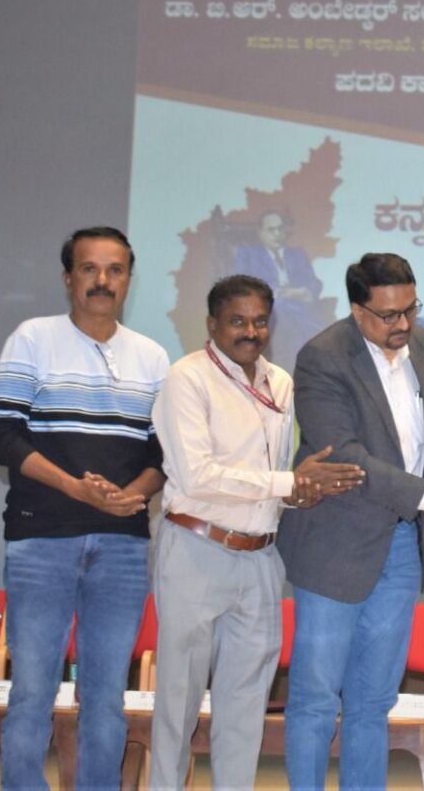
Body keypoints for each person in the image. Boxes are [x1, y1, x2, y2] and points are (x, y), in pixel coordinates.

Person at [275, 252, 424, 790]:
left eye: (410, 309)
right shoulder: (322, 357)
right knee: (316, 699)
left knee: (373, 700)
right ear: (358, 310)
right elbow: (345, 457)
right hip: (334, 547)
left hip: (400, 542)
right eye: (389, 314)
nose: (403, 324)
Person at [148, 275, 365, 788]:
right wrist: (288, 481)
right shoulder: (187, 378)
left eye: (260, 321)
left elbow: (277, 473)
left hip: (262, 557)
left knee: (246, 707)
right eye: (237, 321)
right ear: (212, 324)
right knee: (178, 702)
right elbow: (199, 476)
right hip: (196, 547)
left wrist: (297, 492)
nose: (251, 332)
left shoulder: (280, 383)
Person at [0, 226, 170, 790]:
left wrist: (135, 494)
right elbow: (2, 434)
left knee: (107, 697)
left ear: (129, 280)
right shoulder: (33, 338)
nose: (102, 280)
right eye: (89, 268)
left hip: (122, 543)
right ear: (68, 278)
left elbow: (164, 454)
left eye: (115, 270)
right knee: (32, 692)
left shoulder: (153, 356)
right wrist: (73, 487)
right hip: (42, 537)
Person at [232, 210, 325, 369]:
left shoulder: (297, 254)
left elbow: (314, 282)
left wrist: (305, 291)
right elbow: (241, 283)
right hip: (271, 308)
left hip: (299, 304)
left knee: (307, 320)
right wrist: (278, 292)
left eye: (280, 229)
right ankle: (299, 363)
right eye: (271, 230)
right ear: (260, 232)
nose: (277, 234)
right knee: (284, 312)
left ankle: (305, 362)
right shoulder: (248, 254)